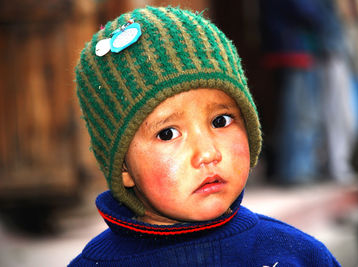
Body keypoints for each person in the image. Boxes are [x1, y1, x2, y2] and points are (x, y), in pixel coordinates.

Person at [69, 6, 340, 266]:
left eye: (220, 121)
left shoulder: (297, 255)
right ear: (123, 168)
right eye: (168, 133)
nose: (208, 153)